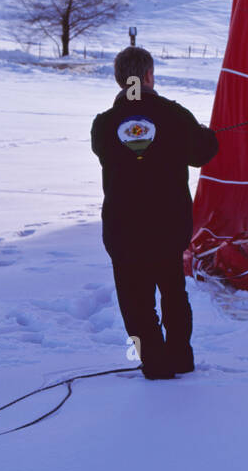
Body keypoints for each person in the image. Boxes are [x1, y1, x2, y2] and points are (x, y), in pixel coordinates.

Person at [91, 46, 218, 379]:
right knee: (173, 291)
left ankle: (155, 363)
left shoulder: (103, 125)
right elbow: (202, 152)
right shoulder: (174, 115)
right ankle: (179, 358)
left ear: (120, 79)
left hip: (123, 229)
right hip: (168, 226)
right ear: (148, 76)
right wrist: (204, 135)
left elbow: (111, 150)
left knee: (134, 302)